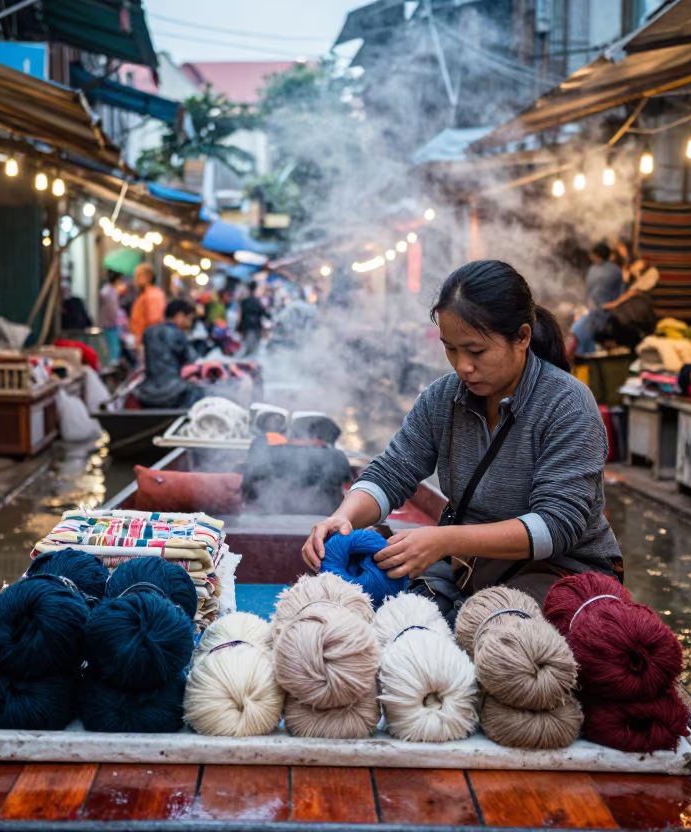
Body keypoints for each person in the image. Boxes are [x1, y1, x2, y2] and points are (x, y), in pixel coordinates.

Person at [302, 260, 622, 607]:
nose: (462, 366)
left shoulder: (567, 404)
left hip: (562, 574)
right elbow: (392, 471)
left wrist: (444, 540)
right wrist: (343, 517)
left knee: (503, 637)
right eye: (450, 348)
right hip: (470, 566)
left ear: (522, 337)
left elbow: (556, 527)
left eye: (476, 351)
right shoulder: (443, 398)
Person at [133, 298, 207, 409]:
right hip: (173, 392)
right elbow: (194, 363)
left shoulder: (148, 332)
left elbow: (142, 360)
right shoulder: (178, 334)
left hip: (146, 391)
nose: (190, 324)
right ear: (180, 316)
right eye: (190, 319)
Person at [570, 241, 625, 356]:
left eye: (592, 254)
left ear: (597, 255)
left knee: (578, 330)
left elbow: (589, 292)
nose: (590, 257)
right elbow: (621, 292)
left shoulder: (593, 270)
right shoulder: (615, 270)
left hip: (603, 313)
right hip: (603, 311)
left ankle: (584, 358)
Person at [128, 263, 166, 358]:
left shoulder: (153, 294)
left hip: (149, 342)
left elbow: (155, 319)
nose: (135, 279)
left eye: (139, 275)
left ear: (148, 277)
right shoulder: (145, 294)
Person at [98, 272, 124, 364]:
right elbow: (112, 310)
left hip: (107, 323)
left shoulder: (106, 291)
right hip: (111, 324)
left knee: (110, 348)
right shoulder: (110, 292)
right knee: (113, 349)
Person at [239, 280, 270, 356]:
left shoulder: (245, 301)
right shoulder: (257, 301)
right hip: (256, 326)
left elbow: (242, 316)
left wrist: (240, 327)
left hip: (247, 326)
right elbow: (264, 313)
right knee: (254, 348)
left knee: (249, 347)